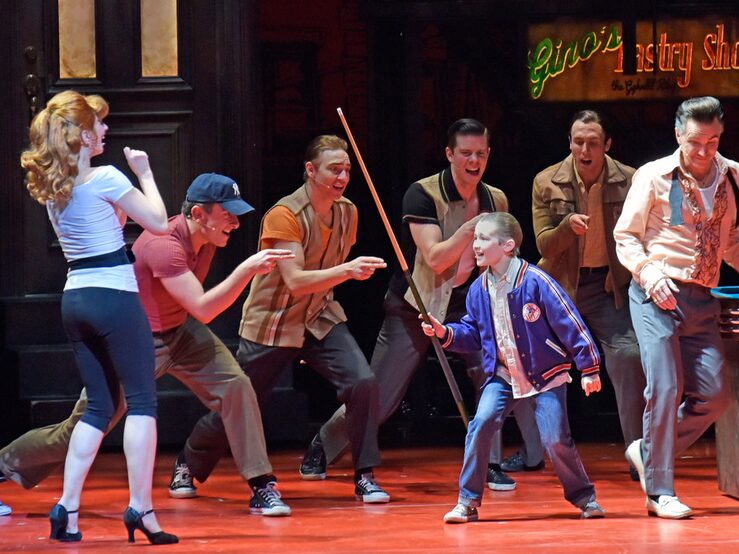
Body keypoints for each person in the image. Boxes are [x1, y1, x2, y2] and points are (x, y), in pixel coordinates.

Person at [0, 173, 295, 518]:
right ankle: (4, 462)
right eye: (227, 212)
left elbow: (190, 311)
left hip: (180, 332)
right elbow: (203, 308)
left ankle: (262, 484)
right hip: (134, 339)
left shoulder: (209, 239)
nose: (235, 221)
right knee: (81, 431)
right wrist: (246, 270)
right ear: (198, 214)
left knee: (236, 387)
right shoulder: (163, 245)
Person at [301, 119, 539, 491]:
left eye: (480, 154)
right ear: (449, 154)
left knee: (490, 376)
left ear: (488, 154)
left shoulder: (497, 199)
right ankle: (323, 445)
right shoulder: (422, 193)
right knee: (381, 395)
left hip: (465, 304)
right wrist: (471, 228)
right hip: (416, 305)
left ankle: (488, 463)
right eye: (465, 154)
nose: (473, 161)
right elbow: (437, 258)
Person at [179, 135, 391, 503]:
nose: (342, 177)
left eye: (346, 170)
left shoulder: (348, 211)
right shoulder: (285, 215)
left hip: (319, 315)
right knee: (239, 399)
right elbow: (295, 282)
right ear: (311, 171)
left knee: (362, 382)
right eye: (334, 169)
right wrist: (349, 271)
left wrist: (342, 273)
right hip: (274, 320)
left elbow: (320, 282)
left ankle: (365, 474)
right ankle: (189, 463)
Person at [19, 90, 177, 544]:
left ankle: (66, 510)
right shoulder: (107, 176)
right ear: (84, 135)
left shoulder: (55, 188)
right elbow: (160, 223)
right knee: (143, 403)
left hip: (75, 300)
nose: (106, 130)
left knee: (101, 406)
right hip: (112, 297)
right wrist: (145, 172)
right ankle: (142, 509)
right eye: (99, 125)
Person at [614, 96, 739, 519]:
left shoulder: (733, 175)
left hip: (703, 297)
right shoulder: (652, 176)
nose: (704, 151)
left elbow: (730, 237)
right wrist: (650, 275)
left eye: (713, 141)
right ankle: (659, 489)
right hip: (655, 294)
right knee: (665, 386)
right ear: (678, 135)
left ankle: (646, 451)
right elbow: (625, 237)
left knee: (716, 396)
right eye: (695, 142)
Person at [421, 212, 605, 523]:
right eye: (475, 239)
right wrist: (445, 333)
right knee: (480, 425)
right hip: (503, 375)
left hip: (545, 374)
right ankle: (467, 501)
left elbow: (570, 323)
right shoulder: (479, 289)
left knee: (555, 438)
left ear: (507, 246)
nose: (475, 245)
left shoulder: (536, 282)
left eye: (483, 239)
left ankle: (584, 497)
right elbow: (474, 333)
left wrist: (590, 367)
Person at [521, 109, 646, 478]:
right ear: (570, 143)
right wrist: (566, 228)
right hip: (560, 288)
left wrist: (624, 275)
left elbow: (642, 235)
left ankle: (640, 453)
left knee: (628, 356)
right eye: (578, 142)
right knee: (532, 364)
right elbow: (543, 242)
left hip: (609, 287)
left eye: (593, 142)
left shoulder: (631, 180)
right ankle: (536, 451)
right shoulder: (548, 181)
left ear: (607, 145)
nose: (584, 150)